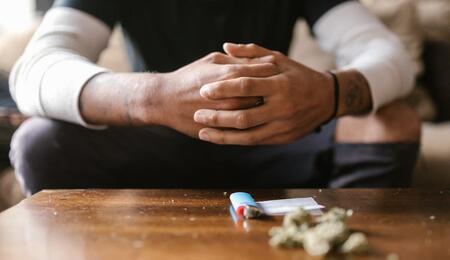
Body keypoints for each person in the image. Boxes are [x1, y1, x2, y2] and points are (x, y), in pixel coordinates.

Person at [9, 0, 421, 195]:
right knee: (40, 140)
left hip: (273, 138)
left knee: (393, 122)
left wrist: (328, 93)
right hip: (157, 145)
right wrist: (156, 96)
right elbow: (34, 69)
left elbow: (390, 56)